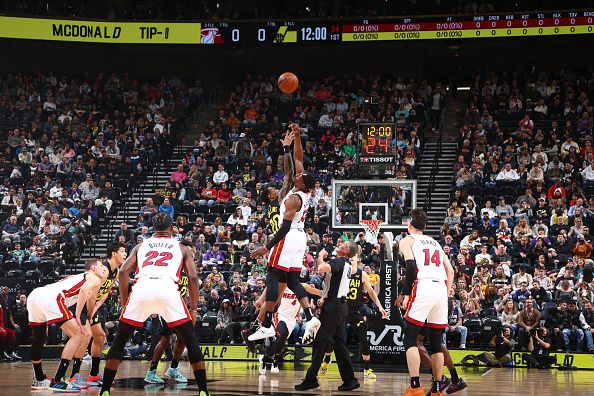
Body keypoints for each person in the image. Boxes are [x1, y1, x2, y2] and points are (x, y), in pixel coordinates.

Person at [98, 213, 209, 396]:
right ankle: (203, 391)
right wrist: (194, 308)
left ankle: (104, 391)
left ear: (153, 228)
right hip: (168, 290)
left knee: (119, 342)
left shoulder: (141, 246)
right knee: (191, 341)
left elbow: (124, 271)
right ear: (171, 228)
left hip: (142, 289)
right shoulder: (181, 248)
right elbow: (194, 277)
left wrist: (125, 302)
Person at [249, 125, 319, 342]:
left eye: (300, 177)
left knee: (272, 274)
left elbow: (294, 165)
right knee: (290, 280)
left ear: (302, 183)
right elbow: (296, 164)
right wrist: (293, 143)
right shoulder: (297, 191)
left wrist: (266, 247)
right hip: (298, 239)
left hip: (288, 236)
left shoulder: (292, 197)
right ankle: (308, 316)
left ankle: (267, 324)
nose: (297, 175)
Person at [28, 259, 107, 391]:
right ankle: (58, 380)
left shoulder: (77, 277)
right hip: (52, 297)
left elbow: (91, 299)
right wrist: (77, 314)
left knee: (39, 338)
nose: (104, 268)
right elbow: (83, 292)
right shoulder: (94, 278)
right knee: (78, 334)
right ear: (93, 268)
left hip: (35, 295)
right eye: (101, 266)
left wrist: (89, 315)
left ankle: (39, 379)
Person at [400, 209, 454, 396]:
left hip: (422, 286)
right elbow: (451, 271)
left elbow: (410, 266)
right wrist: (446, 295)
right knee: (436, 342)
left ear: (409, 224)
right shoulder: (436, 243)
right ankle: (437, 388)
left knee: (409, 337)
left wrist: (405, 293)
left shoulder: (407, 240)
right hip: (440, 289)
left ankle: (415, 387)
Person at [294, 242, 360, 392]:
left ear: (346, 250)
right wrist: (324, 296)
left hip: (334, 307)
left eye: (343, 244)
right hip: (340, 306)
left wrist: (320, 257)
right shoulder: (347, 264)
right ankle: (350, 380)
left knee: (320, 342)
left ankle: (311, 379)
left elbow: (321, 268)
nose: (339, 244)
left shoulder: (339, 261)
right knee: (339, 344)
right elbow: (336, 285)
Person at [319, 251, 388, 380]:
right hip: (341, 309)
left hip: (355, 311)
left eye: (353, 256)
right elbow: (329, 286)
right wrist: (323, 297)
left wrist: (380, 306)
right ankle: (327, 359)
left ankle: (367, 369)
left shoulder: (362, 274)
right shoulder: (342, 271)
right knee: (332, 340)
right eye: (349, 256)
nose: (351, 258)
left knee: (363, 336)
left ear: (358, 258)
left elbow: (372, 292)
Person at [69, 242, 127, 387]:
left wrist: (96, 308)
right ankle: (73, 376)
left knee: (100, 337)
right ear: (114, 254)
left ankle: (94, 375)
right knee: (86, 336)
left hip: (93, 306)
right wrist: (90, 311)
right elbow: (90, 295)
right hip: (81, 304)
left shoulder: (117, 271)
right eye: (122, 251)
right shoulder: (105, 269)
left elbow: (106, 292)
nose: (125, 254)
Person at [144, 239, 195, 384]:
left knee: (183, 338)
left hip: (180, 308)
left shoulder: (188, 269)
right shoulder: (172, 267)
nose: (193, 254)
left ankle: (172, 368)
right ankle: (152, 371)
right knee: (165, 339)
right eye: (191, 250)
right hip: (167, 307)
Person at [256, 281, 321, 374]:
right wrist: (261, 300)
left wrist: (327, 293)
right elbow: (269, 289)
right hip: (280, 315)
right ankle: (276, 361)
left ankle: (265, 358)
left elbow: (316, 291)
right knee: (283, 334)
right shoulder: (282, 285)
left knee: (280, 341)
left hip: (292, 320)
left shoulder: (302, 286)